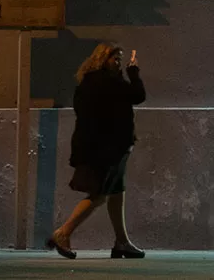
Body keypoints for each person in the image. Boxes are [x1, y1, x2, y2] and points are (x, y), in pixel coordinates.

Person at [46, 42, 147, 259]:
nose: (118, 63)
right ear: (103, 59)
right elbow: (138, 95)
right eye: (115, 58)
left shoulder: (89, 82)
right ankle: (63, 233)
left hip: (101, 147)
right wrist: (133, 71)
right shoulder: (107, 81)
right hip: (106, 150)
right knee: (100, 195)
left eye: (120, 59)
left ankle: (122, 242)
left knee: (117, 192)